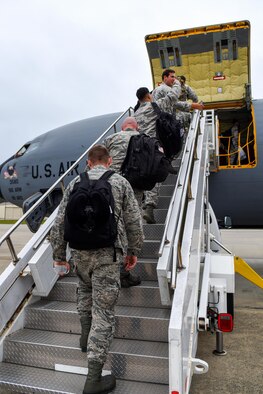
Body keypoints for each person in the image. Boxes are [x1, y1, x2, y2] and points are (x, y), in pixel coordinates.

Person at [50, 145, 144, 394]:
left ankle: (84, 336)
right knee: (104, 313)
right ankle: (93, 378)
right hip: (108, 254)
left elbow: (60, 222)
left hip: (80, 253)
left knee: (84, 289)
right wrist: (134, 251)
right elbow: (134, 220)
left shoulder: (73, 184)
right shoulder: (120, 182)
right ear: (110, 161)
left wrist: (59, 255)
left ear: (89, 163)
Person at [134, 86, 204, 224]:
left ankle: (143, 203)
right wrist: (177, 83)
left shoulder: (135, 113)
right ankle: (149, 206)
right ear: (148, 96)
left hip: (141, 147)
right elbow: (172, 97)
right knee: (155, 175)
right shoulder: (153, 105)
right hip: (154, 146)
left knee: (145, 174)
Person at [104, 117, 143, 288]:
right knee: (131, 225)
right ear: (137, 127)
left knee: (113, 224)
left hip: (111, 186)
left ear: (122, 127)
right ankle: (123, 271)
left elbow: (97, 162)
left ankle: (109, 267)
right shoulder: (144, 138)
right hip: (135, 186)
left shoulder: (111, 139)